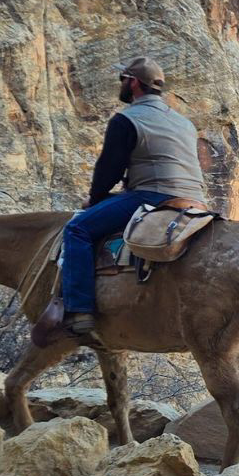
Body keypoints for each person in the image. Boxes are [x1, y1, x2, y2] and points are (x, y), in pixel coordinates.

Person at [52, 56, 207, 342]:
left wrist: (95, 199)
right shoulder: (185, 123)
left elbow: (109, 170)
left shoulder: (127, 119)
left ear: (133, 82)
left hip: (152, 196)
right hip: (195, 200)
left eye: (123, 79)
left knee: (77, 229)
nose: (121, 84)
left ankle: (80, 310)